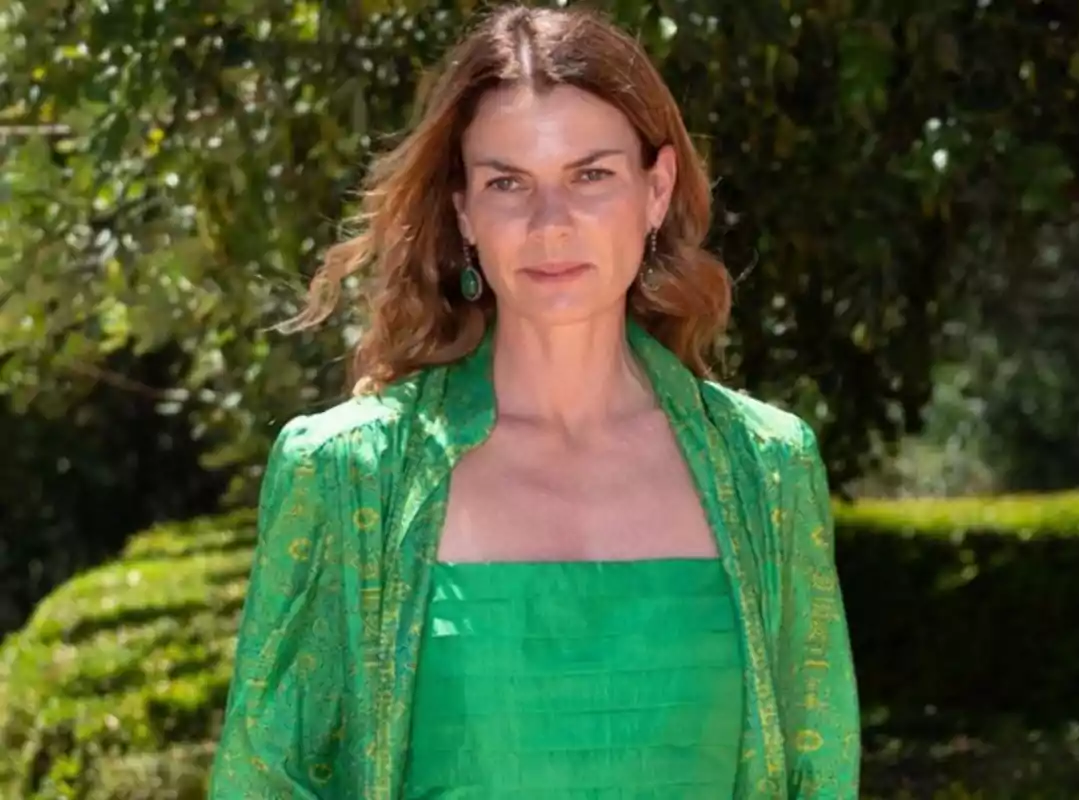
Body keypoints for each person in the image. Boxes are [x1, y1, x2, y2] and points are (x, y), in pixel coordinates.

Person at [209, 4, 859, 798]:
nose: (552, 224)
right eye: (508, 182)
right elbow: (264, 779)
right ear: (464, 212)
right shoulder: (349, 475)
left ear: (656, 191)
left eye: (591, 175)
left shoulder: (768, 470)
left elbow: (816, 777)